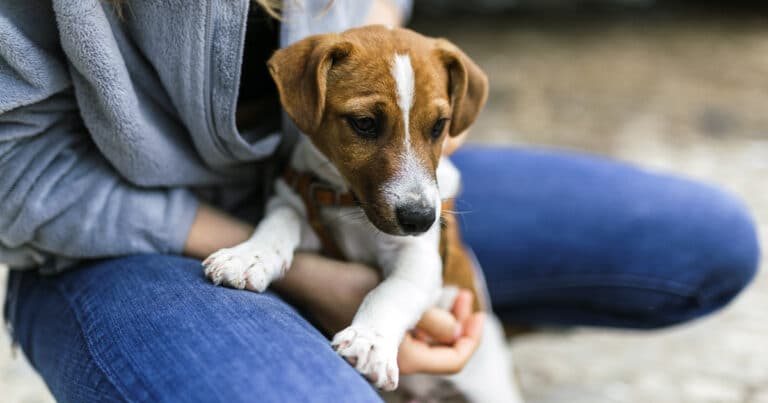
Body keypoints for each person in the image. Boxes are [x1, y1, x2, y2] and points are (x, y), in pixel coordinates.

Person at [0, 0, 759, 402]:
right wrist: (310, 278)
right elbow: (17, 179)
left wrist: (410, 100)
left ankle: (464, 326)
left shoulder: (397, 148)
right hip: (114, 233)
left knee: (701, 240)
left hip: (352, 209)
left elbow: (383, 22)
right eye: (361, 121)